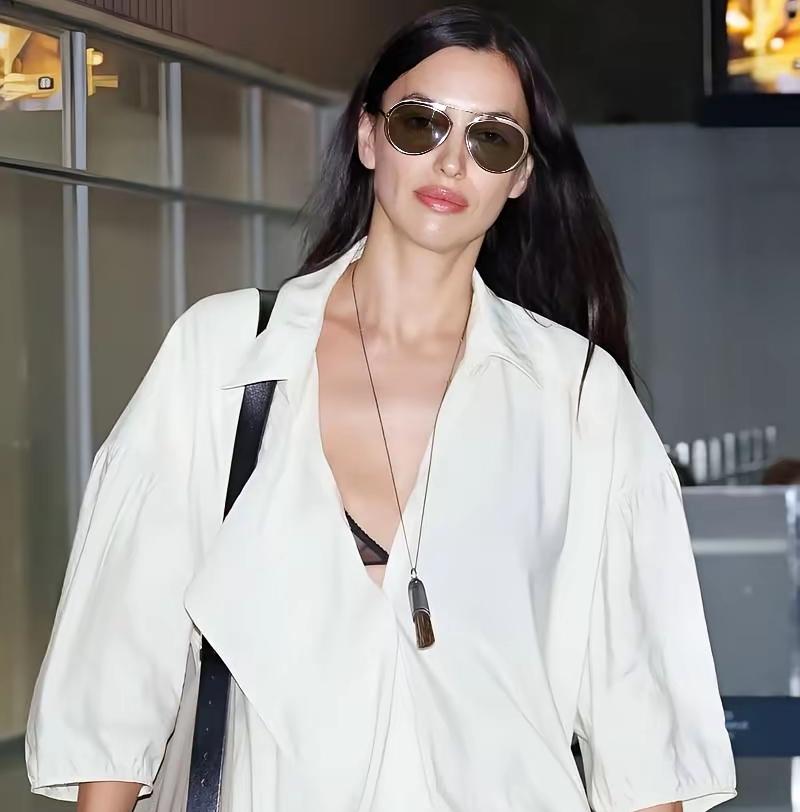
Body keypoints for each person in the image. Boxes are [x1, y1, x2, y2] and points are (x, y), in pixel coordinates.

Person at [25, 6, 737, 811]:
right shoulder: (224, 356)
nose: (451, 161)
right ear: (368, 136)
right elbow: (123, 649)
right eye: (420, 124)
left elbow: (636, 711)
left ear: (520, 176)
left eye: (491, 139)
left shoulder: (577, 394)